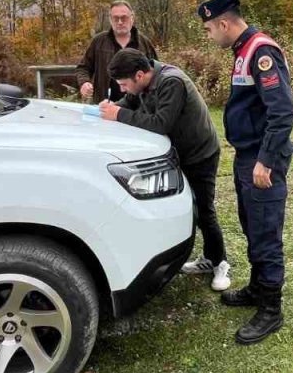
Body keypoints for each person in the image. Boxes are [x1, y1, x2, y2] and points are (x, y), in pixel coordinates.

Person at [198, 0, 293, 345]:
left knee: (265, 231)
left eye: (209, 29)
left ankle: (271, 309)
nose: (209, 36)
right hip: (247, 157)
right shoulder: (242, 50)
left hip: (260, 159)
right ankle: (257, 288)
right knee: (252, 225)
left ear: (224, 23)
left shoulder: (260, 51)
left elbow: (282, 112)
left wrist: (266, 160)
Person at [99, 49, 231, 292]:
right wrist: (111, 108)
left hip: (200, 154)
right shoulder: (143, 84)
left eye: (124, 84)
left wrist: (118, 114)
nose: (124, 89)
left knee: (203, 209)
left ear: (139, 75)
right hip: (178, 154)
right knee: (186, 208)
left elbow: (161, 123)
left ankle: (219, 262)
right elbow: (127, 103)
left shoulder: (172, 82)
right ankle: (207, 258)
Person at [74, 1, 158, 104]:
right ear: (110, 20)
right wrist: (84, 83)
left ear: (132, 18)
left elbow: (154, 73)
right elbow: (83, 67)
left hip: (138, 107)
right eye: (115, 18)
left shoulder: (144, 43)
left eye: (124, 18)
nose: (120, 22)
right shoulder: (98, 41)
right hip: (104, 103)